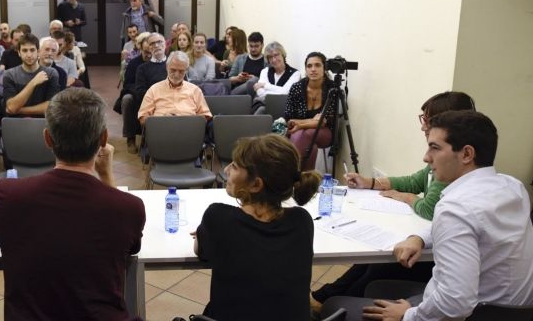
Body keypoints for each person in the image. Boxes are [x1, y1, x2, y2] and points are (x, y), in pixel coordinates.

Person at [321, 111, 533, 321]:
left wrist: (408, 315)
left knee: (334, 305)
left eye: (435, 148)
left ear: (467, 154)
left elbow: (456, 302)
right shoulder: (512, 187)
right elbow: (473, 225)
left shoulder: (455, 208)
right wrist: (421, 237)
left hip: (473, 313)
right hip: (511, 310)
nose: (426, 157)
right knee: (376, 286)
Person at [0, 88, 145, 320]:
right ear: (103, 139)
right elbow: (129, 247)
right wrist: (107, 175)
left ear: (47, 138)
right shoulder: (128, 206)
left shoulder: (8, 194)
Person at [310, 91, 476, 309]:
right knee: (370, 261)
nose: (423, 127)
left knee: (380, 262)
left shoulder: (455, 168)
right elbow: (416, 180)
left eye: (427, 120)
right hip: (432, 245)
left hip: (437, 265)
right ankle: (326, 298)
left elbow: (430, 209)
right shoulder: (448, 158)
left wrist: (407, 198)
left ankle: (334, 305)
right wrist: (370, 182)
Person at [194, 134, 320, 321]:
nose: (227, 170)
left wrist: (202, 233)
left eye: (235, 166)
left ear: (255, 185)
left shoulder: (218, 217)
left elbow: (202, 251)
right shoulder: (303, 221)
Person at [284, 52, 337, 170]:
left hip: (326, 133)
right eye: (309, 66)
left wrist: (300, 124)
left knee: (305, 133)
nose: (313, 69)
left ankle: (291, 173)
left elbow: (324, 121)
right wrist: (311, 121)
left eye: (317, 65)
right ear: (305, 69)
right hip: (300, 133)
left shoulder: (332, 89)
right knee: (309, 144)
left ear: (325, 68)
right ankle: (306, 180)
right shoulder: (296, 87)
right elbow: (289, 118)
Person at [138, 51, 212, 126]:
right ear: (167, 67)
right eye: (173, 70)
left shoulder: (195, 90)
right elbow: (143, 118)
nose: (176, 75)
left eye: (181, 71)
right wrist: (160, 120)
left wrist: (188, 120)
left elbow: (206, 116)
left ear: (186, 70)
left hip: (189, 129)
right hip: (161, 128)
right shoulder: (154, 89)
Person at [3, 33, 60, 117]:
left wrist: (19, 110)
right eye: (25, 50)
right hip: (16, 122)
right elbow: (11, 107)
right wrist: (33, 82)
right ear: (19, 53)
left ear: (38, 51)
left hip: (42, 123)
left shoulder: (51, 73)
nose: (29, 55)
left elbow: (51, 107)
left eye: (32, 50)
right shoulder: (9, 74)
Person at [120, 32, 151, 153]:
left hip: (153, 94)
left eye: (150, 52)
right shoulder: (134, 63)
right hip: (136, 93)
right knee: (127, 100)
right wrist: (140, 92)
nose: (148, 55)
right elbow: (127, 84)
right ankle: (130, 137)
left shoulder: (157, 63)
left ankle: (150, 138)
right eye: (145, 52)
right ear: (140, 49)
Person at [252, 41, 300, 106]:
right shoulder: (265, 71)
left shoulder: (295, 74)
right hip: (264, 104)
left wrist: (265, 85)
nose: (274, 60)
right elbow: (260, 92)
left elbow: (285, 93)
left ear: (283, 55)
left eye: (276, 55)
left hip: (283, 107)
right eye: (270, 57)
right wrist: (279, 92)